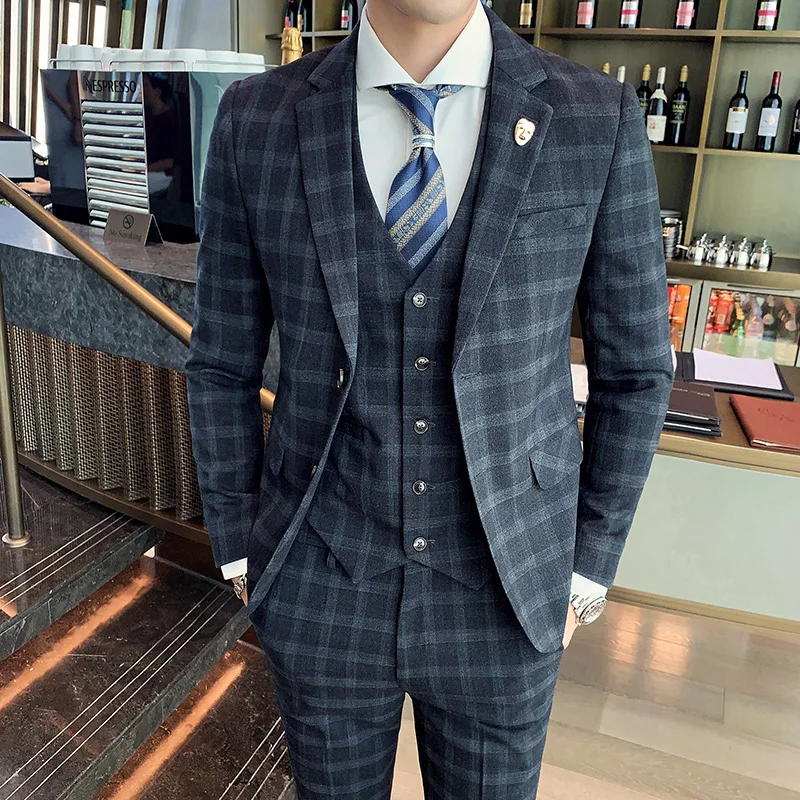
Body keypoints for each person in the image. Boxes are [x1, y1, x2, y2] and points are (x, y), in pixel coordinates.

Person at [184, 1, 674, 797]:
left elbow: (638, 369)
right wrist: (240, 547)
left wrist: (588, 567)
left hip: (508, 592)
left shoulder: (595, 118)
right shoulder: (257, 119)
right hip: (321, 582)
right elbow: (219, 362)